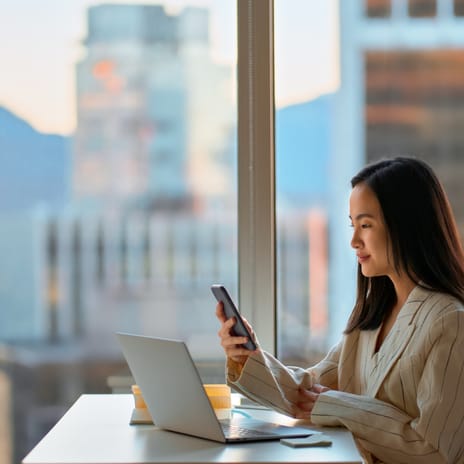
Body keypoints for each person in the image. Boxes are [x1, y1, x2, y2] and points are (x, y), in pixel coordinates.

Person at [216, 157, 464, 464]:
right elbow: (306, 395)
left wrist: (342, 407)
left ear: (405, 226)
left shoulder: (450, 322)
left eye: (366, 225)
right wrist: (248, 356)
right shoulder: (371, 318)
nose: (354, 240)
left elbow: (435, 451)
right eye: (352, 225)